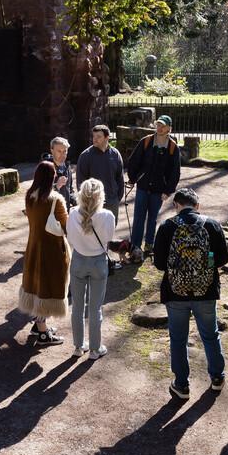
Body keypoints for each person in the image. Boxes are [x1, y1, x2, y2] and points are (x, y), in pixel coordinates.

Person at [153, 187, 228, 399]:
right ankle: (217, 377)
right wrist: (208, 261)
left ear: (176, 206)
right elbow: (223, 259)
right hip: (206, 290)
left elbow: (159, 264)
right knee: (210, 334)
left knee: (178, 338)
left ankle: (181, 384)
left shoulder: (167, 227)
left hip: (176, 292)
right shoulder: (212, 224)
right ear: (197, 205)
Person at [19, 160, 69, 346]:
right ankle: (42, 334)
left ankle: (39, 326)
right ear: (52, 176)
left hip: (33, 247)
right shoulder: (55, 200)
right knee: (47, 288)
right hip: (52, 251)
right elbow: (66, 225)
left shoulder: (29, 196)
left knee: (35, 285)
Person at [65, 178, 115, 359]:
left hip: (78, 261)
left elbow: (70, 238)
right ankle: (94, 349)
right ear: (100, 196)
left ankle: (78, 347)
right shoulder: (107, 215)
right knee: (95, 308)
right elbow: (109, 236)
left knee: (77, 306)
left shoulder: (72, 213)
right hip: (98, 263)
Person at [126, 115, 181, 263]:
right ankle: (135, 247)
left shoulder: (172, 147)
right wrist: (133, 179)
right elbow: (134, 161)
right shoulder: (146, 141)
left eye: (163, 126)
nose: (160, 128)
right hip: (143, 187)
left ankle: (149, 245)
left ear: (169, 128)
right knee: (138, 218)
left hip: (159, 191)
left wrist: (168, 191)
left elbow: (175, 172)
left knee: (152, 219)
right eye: (158, 125)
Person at [76, 125, 125, 219]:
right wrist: (87, 203)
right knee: (93, 232)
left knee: (110, 231)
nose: (95, 139)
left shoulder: (115, 154)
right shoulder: (85, 156)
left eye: (98, 136)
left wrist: (116, 199)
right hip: (92, 205)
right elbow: (81, 182)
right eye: (94, 136)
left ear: (107, 138)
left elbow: (120, 179)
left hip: (112, 203)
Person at [42, 136, 76, 206]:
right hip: (49, 212)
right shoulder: (44, 168)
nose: (62, 154)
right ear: (52, 150)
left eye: (65, 151)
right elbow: (40, 193)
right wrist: (56, 186)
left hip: (64, 211)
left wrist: (76, 201)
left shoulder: (67, 167)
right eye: (59, 151)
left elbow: (69, 190)